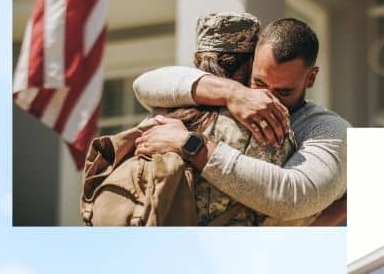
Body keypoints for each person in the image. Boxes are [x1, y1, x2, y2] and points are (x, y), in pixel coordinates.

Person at [133, 17, 349, 226]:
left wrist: (191, 145)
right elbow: (144, 85)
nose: (266, 99)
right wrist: (233, 92)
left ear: (311, 78)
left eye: (284, 92)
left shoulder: (328, 129)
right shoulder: (233, 99)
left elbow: (295, 196)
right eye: (259, 83)